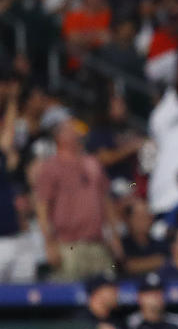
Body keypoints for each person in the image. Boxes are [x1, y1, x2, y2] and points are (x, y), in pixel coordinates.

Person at [32, 120, 122, 280]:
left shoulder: (93, 163)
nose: (77, 133)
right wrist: (49, 244)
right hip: (67, 245)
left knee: (106, 290)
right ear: (60, 137)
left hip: (97, 242)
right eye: (71, 130)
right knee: (68, 292)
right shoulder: (50, 167)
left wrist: (114, 236)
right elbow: (42, 208)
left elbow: (106, 202)